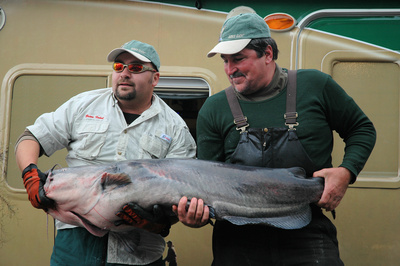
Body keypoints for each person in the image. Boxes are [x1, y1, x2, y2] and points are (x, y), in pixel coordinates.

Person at [174, 12, 376, 265]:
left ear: (268, 53)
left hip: (307, 235)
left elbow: (362, 129)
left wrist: (347, 172)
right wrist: (195, 214)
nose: (229, 69)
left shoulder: (316, 85)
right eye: (225, 61)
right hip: (236, 242)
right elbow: (204, 179)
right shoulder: (214, 108)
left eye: (238, 59)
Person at [15, 40, 196, 266]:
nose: (125, 73)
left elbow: (184, 191)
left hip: (138, 254)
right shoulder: (84, 105)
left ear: (155, 78)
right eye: (119, 67)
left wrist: (156, 222)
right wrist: (30, 176)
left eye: (136, 68)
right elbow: (31, 138)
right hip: (74, 248)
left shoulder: (175, 128)